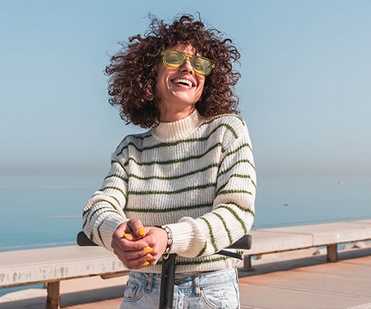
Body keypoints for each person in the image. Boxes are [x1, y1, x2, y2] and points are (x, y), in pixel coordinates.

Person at [82, 14, 256, 309]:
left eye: (200, 64)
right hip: (142, 289)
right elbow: (96, 209)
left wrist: (170, 237)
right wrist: (117, 233)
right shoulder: (131, 149)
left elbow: (237, 212)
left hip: (209, 291)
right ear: (151, 71)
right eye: (175, 58)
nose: (188, 67)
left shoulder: (227, 131)